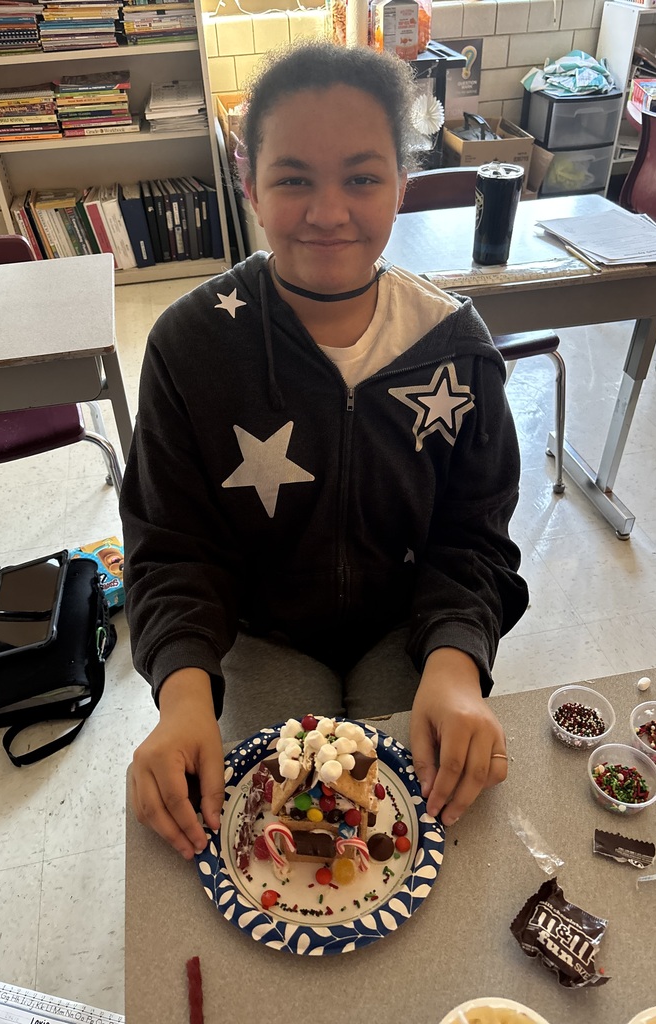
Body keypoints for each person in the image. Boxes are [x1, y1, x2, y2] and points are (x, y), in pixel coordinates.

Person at [120, 41, 529, 861]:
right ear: (250, 188)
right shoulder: (190, 346)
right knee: (269, 831)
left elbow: (475, 534)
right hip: (261, 635)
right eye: (294, 178)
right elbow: (171, 548)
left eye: (363, 177)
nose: (329, 211)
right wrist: (184, 695)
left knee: (422, 828)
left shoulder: (455, 345)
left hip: (409, 628)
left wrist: (454, 663)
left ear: (403, 183)